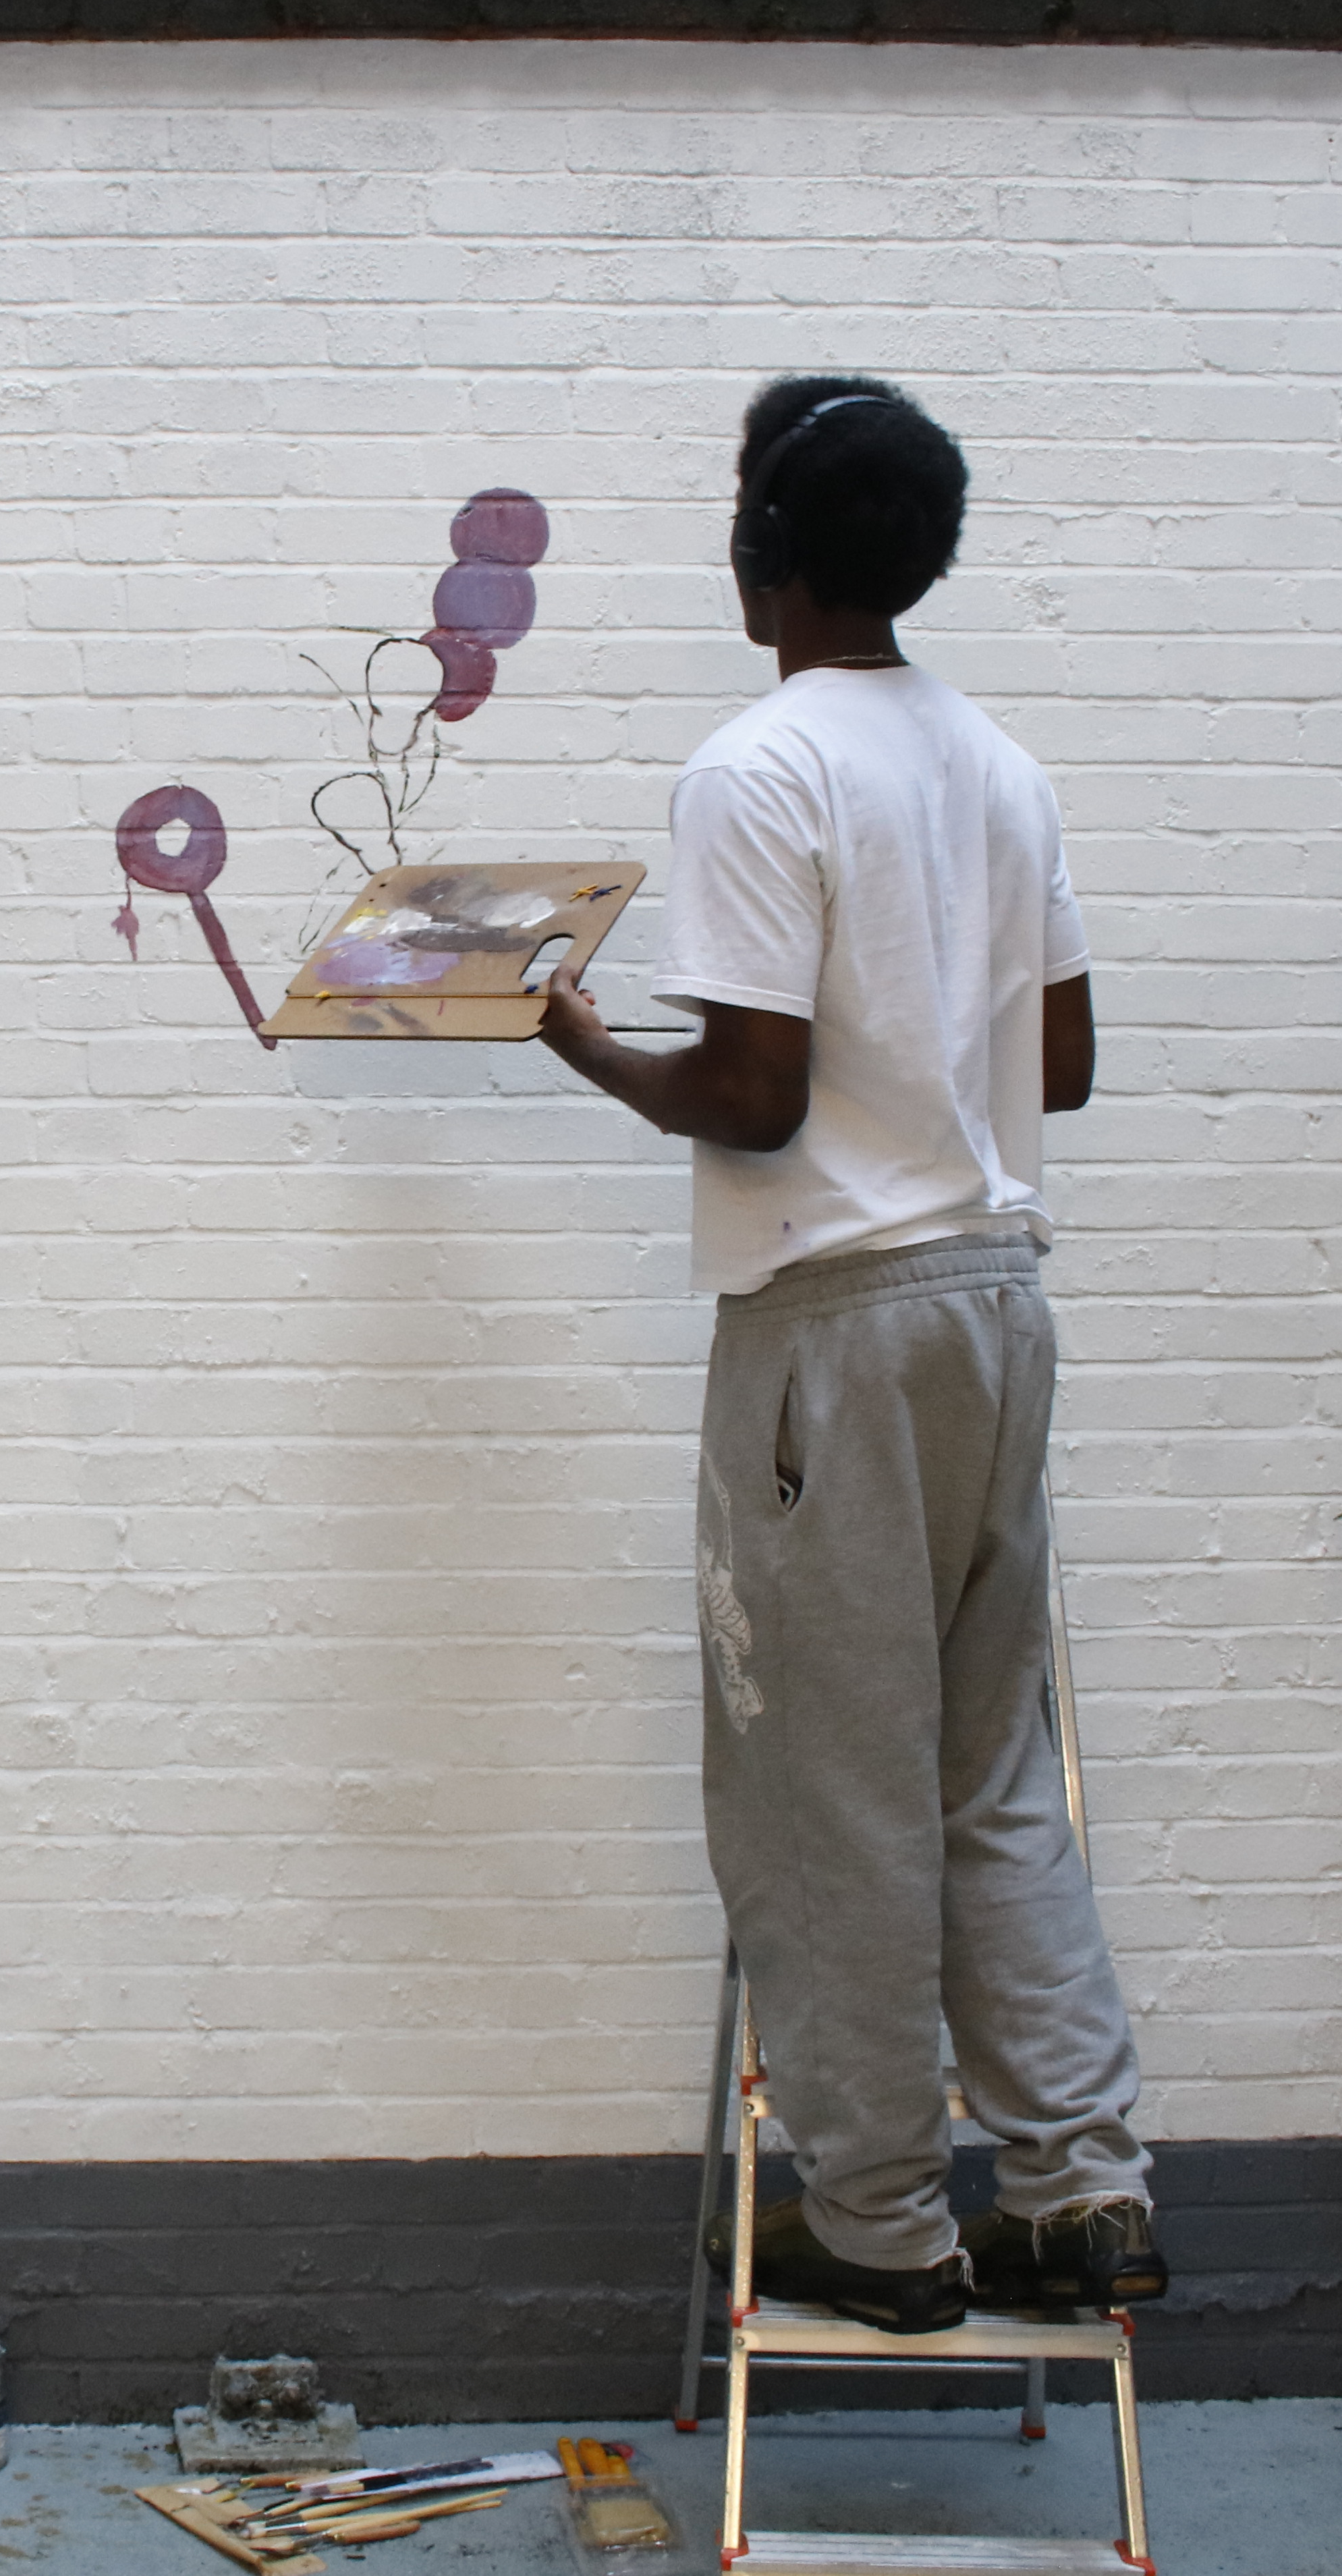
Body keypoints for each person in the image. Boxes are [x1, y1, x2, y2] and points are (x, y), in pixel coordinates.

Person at [536, 377, 1165, 2336]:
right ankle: (1080, 2193)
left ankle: (885, 2225)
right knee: (992, 1765)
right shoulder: (999, 763)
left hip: (836, 1321)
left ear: (762, 555)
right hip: (996, 1302)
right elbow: (1062, 1063)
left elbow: (752, 1094)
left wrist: (582, 1045)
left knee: (826, 1781)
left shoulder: (759, 767)